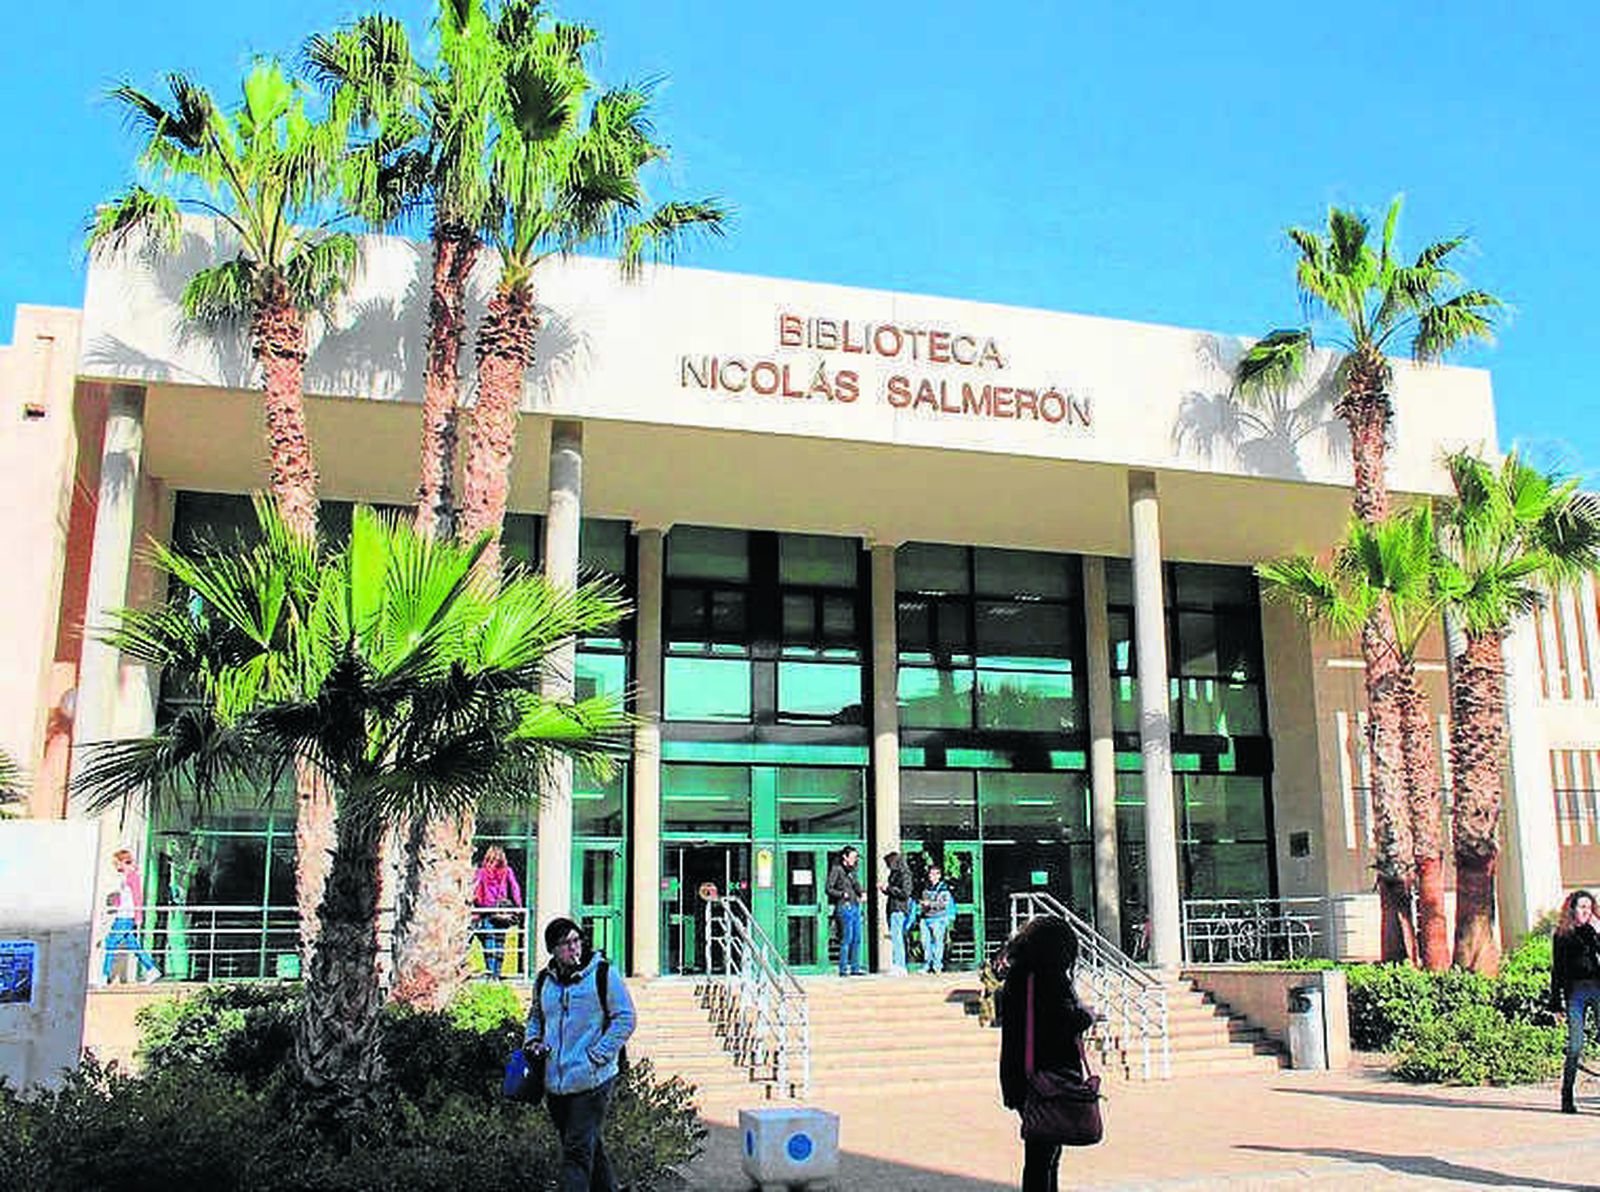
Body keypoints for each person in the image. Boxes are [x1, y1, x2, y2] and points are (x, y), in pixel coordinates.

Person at [526, 917, 636, 1191]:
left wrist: (597, 1055)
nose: (573, 948)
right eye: (565, 943)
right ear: (553, 949)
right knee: (586, 1145)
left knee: (576, 1152)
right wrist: (533, 1041)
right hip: (555, 1081)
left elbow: (625, 1018)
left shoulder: (603, 974)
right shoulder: (544, 980)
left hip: (593, 1079)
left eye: (576, 940)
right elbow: (536, 1016)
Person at [999, 916, 1095, 1192]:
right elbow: (1060, 1023)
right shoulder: (1049, 978)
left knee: (1042, 1151)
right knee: (1044, 1155)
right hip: (1049, 1074)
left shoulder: (1019, 975)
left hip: (1022, 1072)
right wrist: (1086, 1017)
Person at [1552, 889, 1600, 1113]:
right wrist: (1556, 1004)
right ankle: (1567, 1095)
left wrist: (1598, 932)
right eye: (1582, 907)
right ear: (1572, 909)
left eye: (1589, 908)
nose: (1586, 912)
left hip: (1597, 988)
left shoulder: (1593, 932)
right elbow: (1557, 970)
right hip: (1575, 993)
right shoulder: (1562, 935)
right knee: (1575, 1046)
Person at [100, 848, 160, 985]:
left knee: (111, 943)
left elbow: (137, 897)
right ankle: (152, 969)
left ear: (123, 862)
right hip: (123, 914)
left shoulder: (133, 877)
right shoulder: (125, 877)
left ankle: (105, 975)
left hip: (126, 916)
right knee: (133, 945)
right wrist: (115, 902)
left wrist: (138, 916)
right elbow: (124, 898)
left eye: (116, 863)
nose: (115, 866)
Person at [472, 845, 523, 980]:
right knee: (500, 942)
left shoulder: (482, 871)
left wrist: (477, 903)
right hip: (501, 911)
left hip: (487, 910)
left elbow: (475, 890)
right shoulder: (507, 871)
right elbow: (515, 888)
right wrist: (518, 906)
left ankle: (491, 972)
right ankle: (496, 972)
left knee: (489, 940)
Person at [825, 846, 865, 976]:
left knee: (857, 938)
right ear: (845, 857)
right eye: (853, 857)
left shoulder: (853, 871)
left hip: (855, 906)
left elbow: (856, 885)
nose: (855, 859)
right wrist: (842, 894)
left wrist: (862, 893)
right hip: (844, 906)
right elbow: (828, 888)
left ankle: (855, 968)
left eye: (856, 857)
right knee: (846, 938)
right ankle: (843, 969)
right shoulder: (837, 869)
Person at [918, 864, 957, 973]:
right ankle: (927, 964)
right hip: (925, 918)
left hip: (938, 918)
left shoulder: (944, 889)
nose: (932, 876)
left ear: (939, 875)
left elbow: (943, 904)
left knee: (938, 942)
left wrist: (930, 904)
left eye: (935, 874)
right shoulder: (925, 887)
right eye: (931, 874)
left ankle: (937, 965)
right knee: (925, 942)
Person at [880, 851, 913, 974]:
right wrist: (885, 890)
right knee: (896, 937)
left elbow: (905, 893)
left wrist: (888, 888)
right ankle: (898, 964)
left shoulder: (904, 874)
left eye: (888, 863)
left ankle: (899, 965)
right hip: (893, 907)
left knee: (897, 937)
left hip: (899, 909)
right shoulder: (895, 873)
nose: (888, 866)